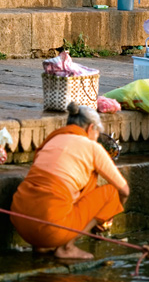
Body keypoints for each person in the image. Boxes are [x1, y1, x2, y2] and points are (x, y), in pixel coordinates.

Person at [10, 103, 129, 259]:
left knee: (59, 190)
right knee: (111, 194)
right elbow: (124, 190)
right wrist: (106, 214)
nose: (97, 138)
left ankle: (41, 247)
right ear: (90, 128)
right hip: (51, 229)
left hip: (20, 221)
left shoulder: (53, 140)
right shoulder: (92, 147)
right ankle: (67, 247)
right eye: (97, 133)